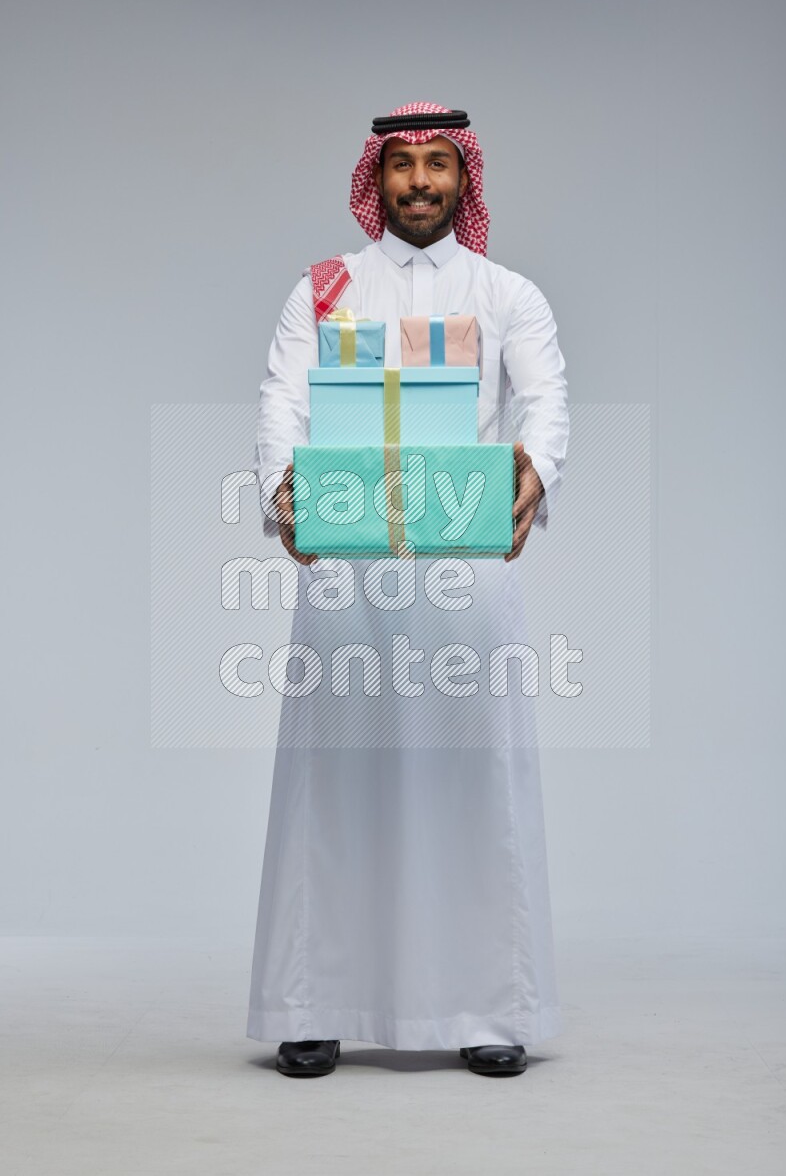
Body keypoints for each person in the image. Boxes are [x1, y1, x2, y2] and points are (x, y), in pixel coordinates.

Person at [248, 103, 569, 1078]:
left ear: (463, 179)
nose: (420, 182)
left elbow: (543, 395)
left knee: (474, 778)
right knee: (335, 781)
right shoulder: (324, 288)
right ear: (374, 179)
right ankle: (313, 1000)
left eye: (438, 165)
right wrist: (278, 483)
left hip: (464, 566)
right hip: (349, 566)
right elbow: (282, 396)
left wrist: (535, 470)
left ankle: (487, 1006)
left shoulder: (508, 292)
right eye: (403, 166)